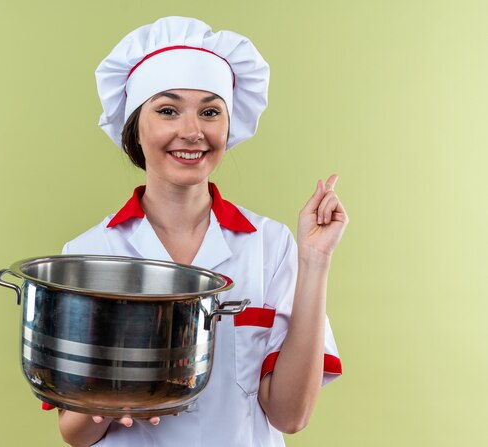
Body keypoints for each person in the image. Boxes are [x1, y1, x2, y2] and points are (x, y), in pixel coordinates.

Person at [45, 17, 349, 447]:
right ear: (135, 124)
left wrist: (315, 261)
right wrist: (113, 401)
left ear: (228, 125)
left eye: (210, 112)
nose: (192, 131)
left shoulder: (271, 244)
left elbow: (291, 415)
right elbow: (74, 434)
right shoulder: (91, 251)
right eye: (167, 110)